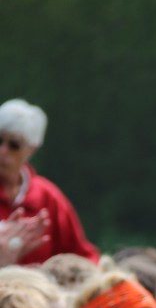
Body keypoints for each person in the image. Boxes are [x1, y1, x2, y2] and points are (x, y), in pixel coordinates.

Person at [0, 99, 98, 266]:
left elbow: (83, 258)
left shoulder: (48, 198)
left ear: (31, 149)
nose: (3, 150)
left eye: (14, 145)